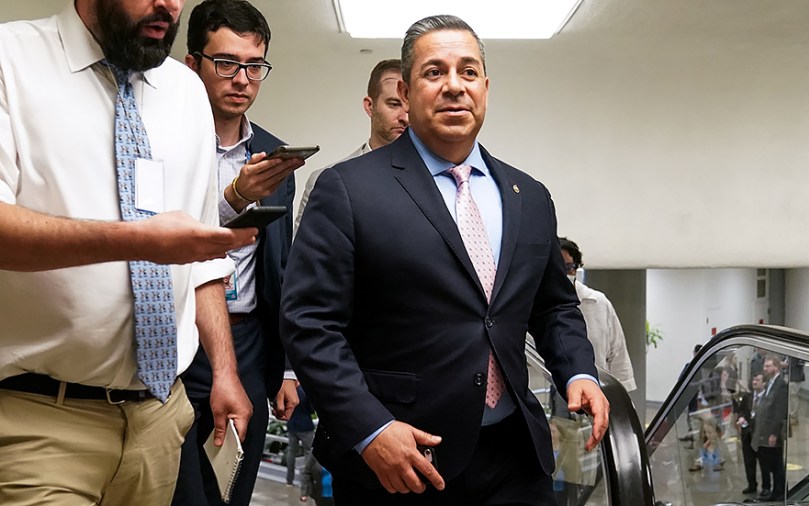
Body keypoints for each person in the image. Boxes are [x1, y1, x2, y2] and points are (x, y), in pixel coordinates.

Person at [280, 14, 609, 505]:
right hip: (401, 459)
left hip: (516, 459)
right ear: (407, 93)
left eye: (468, 72)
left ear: (486, 88)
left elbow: (552, 307)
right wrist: (371, 430)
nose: (454, 86)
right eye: (434, 72)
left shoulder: (529, 195)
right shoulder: (348, 189)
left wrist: (578, 372)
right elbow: (309, 322)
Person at [0, 0, 257, 503]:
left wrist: (225, 373)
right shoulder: (12, 59)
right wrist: (136, 239)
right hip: (40, 420)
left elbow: (200, 252)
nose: (169, 5)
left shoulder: (185, 93)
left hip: (160, 423)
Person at [173, 1, 303, 505]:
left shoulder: (273, 157)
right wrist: (233, 200)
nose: (242, 79)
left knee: (233, 488)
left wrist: (287, 368)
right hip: (178, 337)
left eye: (255, 66)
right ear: (192, 65)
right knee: (179, 488)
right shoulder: (165, 144)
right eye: (226, 63)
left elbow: (282, 266)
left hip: (248, 340)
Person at [294, 58, 408, 231]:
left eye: (411, 106)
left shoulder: (439, 178)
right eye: (394, 104)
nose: (405, 117)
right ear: (370, 106)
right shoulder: (325, 180)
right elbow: (304, 255)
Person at [558, 237, 636, 391]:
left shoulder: (597, 302)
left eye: (568, 267)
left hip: (597, 391)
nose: (563, 273)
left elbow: (618, 353)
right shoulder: (532, 306)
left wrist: (620, 395)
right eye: (557, 268)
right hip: (555, 393)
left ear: (576, 267)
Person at [752, 355, 788, 501]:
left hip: (773, 432)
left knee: (776, 462)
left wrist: (774, 433)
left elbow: (779, 410)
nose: (765, 369)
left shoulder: (781, 384)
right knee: (771, 461)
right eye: (765, 366)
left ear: (776, 367)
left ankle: (779, 491)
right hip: (765, 430)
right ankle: (777, 489)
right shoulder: (771, 383)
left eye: (768, 366)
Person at [734, 373, 766, 495]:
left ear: (764, 383)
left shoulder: (767, 398)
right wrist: (741, 418)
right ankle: (751, 484)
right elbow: (741, 410)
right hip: (747, 434)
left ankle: (765, 486)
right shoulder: (747, 397)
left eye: (757, 380)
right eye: (753, 380)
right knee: (749, 461)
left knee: (764, 462)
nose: (754, 382)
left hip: (760, 435)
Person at [287, 384, 316, 487]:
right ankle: (306, 481)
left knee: (291, 452)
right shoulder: (305, 391)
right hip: (305, 426)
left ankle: (289, 480)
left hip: (292, 425)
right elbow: (312, 410)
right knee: (309, 452)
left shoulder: (288, 390)